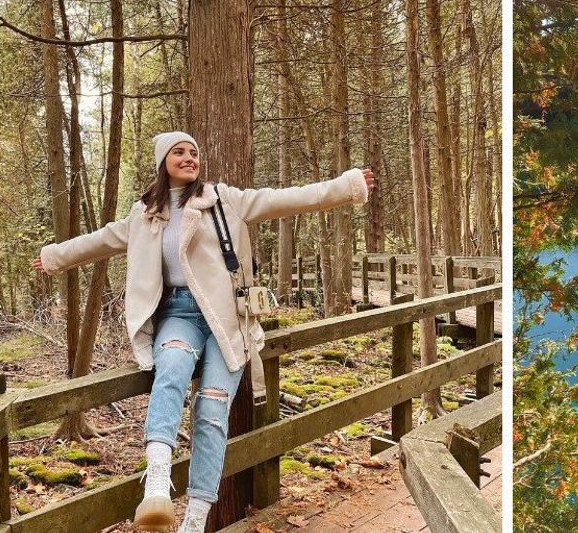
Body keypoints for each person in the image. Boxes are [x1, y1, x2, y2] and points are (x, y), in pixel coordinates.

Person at [32, 131, 375, 532]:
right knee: (171, 371)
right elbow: (100, 241)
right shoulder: (144, 215)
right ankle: (157, 482)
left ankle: (194, 522)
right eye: (179, 152)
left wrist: (346, 186)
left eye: (194, 152)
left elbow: (290, 198)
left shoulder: (225, 200)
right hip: (177, 314)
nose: (188, 157)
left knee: (212, 413)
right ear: (164, 161)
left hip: (227, 322)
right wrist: (54, 255)